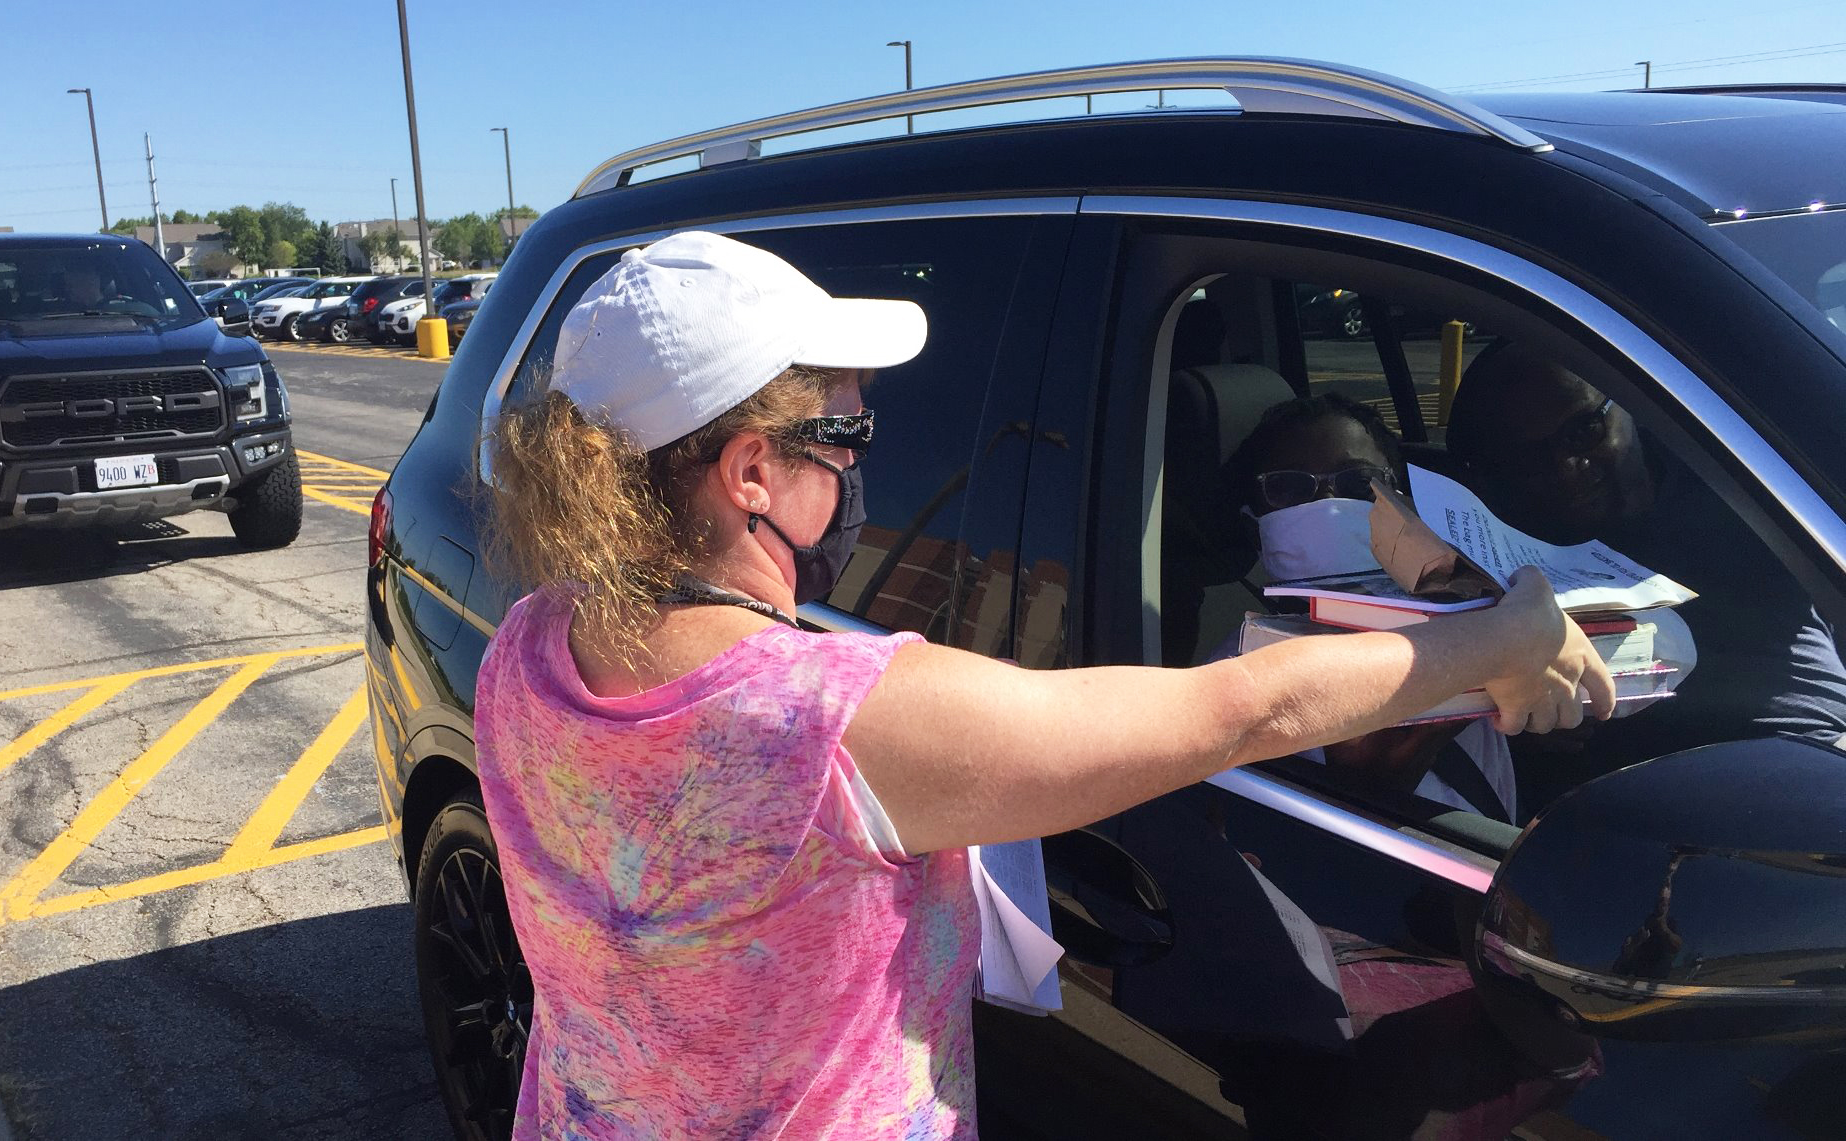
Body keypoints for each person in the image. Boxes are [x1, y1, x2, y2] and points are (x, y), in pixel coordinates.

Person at [475, 231, 1613, 1139]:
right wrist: (1492, 639)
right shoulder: (836, 717)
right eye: (846, 423)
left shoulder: (524, 646)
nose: (865, 451)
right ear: (751, 471)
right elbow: (1237, 709)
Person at [1448, 345, 1846, 763]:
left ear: (1628, 403)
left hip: (1810, 747)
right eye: (1531, 457)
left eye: (1582, 431)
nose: (1566, 466)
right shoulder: (1506, 547)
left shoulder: (1741, 484)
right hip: (1638, 787)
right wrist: (1524, 720)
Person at [1223, 394, 1521, 822]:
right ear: (1254, 524)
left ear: (1401, 505)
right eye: (1289, 488)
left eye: (1358, 485)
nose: (1326, 507)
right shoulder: (1236, 676)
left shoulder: (1473, 624)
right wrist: (1373, 791)